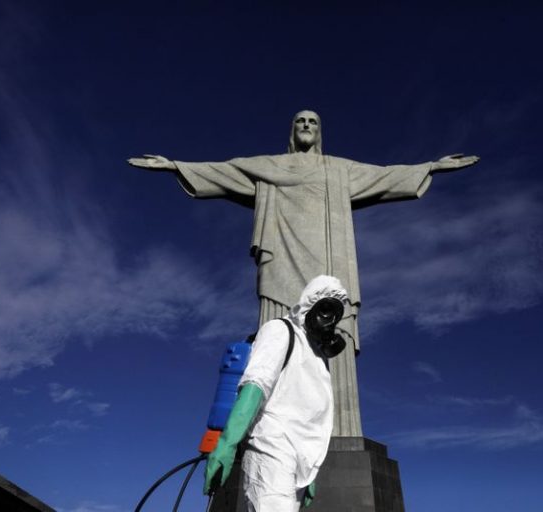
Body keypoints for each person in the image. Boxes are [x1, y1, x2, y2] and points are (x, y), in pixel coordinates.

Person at [128, 110, 478, 436]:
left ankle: (340, 431)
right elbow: (226, 171)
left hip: (329, 263)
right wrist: (174, 166)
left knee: (331, 334)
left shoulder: (339, 170)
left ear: (320, 131)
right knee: (275, 337)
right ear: (292, 131)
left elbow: (384, 175)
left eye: (313, 121)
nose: (307, 125)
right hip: (281, 260)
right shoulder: (269, 166)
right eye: (300, 121)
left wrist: (431, 166)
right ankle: (269, 429)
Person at [203, 275, 349, 511]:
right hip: (271, 446)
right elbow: (256, 385)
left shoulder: (319, 358)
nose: (330, 320)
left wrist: (308, 471)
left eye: (336, 314)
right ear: (309, 305)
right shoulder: (279, 330)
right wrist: (228, 443)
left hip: (299, 462)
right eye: (325, 309)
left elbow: (309, 414)